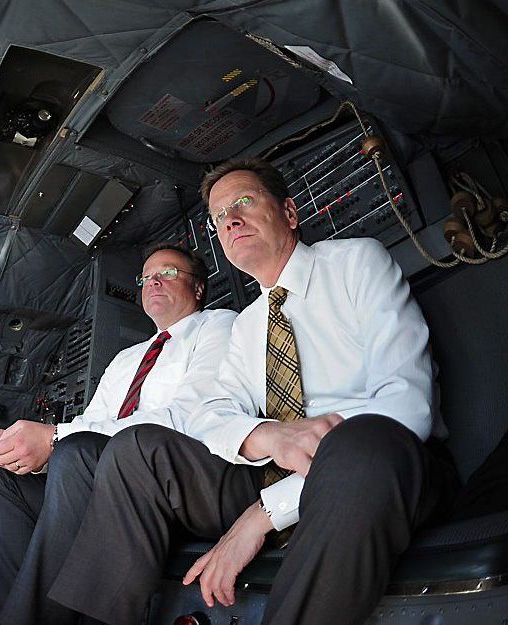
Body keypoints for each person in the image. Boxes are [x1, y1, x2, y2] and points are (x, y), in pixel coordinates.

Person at [49, 158, 460, 625]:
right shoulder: (246, 326)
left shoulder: (356, 262)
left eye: (243, 202)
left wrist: (264, 514)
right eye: (219, 217)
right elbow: (209, 415)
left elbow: (407, 409)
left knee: (361, 444)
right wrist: (269, 437)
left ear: (288, 213)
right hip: (272, 470)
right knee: (133, 449)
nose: (231, 220)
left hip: (387, 468)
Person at [0, 244, 237, 625]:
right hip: (99, 479)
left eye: (168, 273)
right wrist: (24, 448)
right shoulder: (126, 359)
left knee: (76, 451)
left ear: (198, 288)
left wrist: (54, 437)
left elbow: (185, 418)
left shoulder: (219, 326)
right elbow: (90, 423)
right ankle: (3, 614)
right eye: (146, 277)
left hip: (177, 480)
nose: (154, 282)